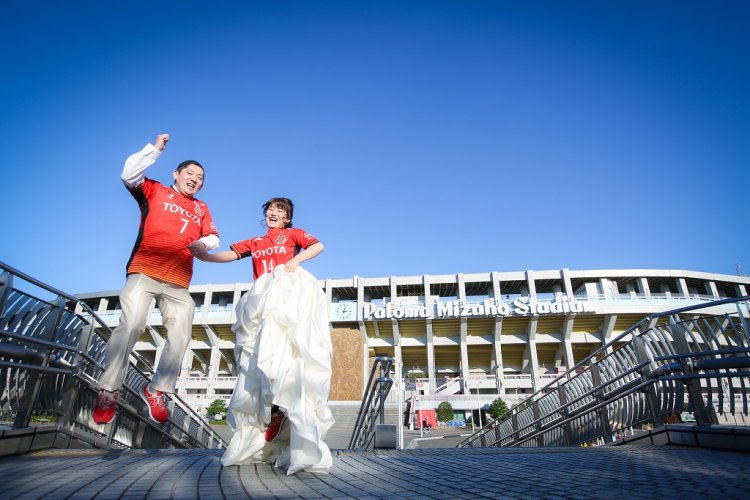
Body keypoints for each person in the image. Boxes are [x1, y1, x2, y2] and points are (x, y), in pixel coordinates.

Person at [196, 197, 333, 474]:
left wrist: (294, 260)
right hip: (261, 299)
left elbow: (318, 245)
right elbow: (231, 254)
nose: (273, 213)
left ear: (287, 218)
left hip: (286, 297)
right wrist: (204, 256)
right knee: (258, 361)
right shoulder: (255, 242)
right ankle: (272, 414)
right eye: (270, 209)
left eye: (279, 210)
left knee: (286, 356)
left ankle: (283, 411)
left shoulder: (293, 234)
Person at [92, 134, 220, 425]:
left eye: (200, 177)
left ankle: (157, 389)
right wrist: (155, 150)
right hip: (144, 271)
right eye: (190, 173)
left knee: (181, 334)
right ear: (176, 174)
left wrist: (205, 244)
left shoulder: (201, 207)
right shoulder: (154, 191)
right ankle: (108, 390)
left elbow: (213, 235)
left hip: (178, 280)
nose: (195, 179)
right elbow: (128, 174)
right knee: (133, 323)